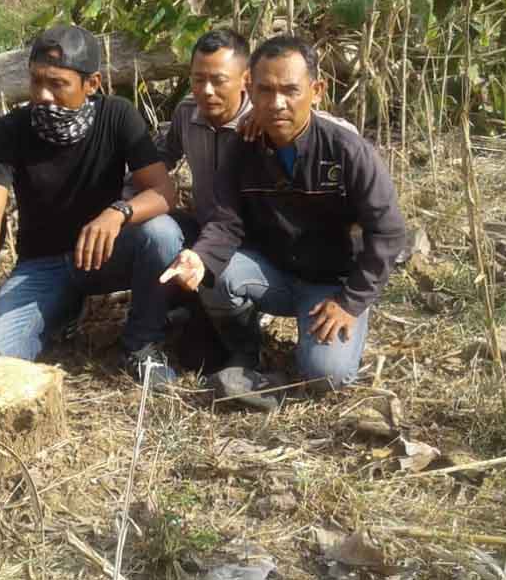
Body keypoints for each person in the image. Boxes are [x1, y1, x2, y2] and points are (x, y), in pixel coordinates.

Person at [162, 35, 407, 410]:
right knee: (216, 273)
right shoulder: (243, 147)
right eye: (265, 90)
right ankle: (246, 354)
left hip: (330, 283)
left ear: (317, 90)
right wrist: (199, 257)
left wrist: (351, 301)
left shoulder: (348, 151)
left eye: (290, 90)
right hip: (273, 271)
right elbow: (226, 222)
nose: (277, 103)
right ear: (250, 89)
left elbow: (388, 232)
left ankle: (333, 334)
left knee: (327, 376)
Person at [0, 24, 184, 389]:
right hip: (42, 265)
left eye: (57, 84)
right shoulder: (9, 131)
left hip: (105, 254)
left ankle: (141, 344)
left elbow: (164, 192)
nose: (43, 95)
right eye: (36, 81)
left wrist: (118, 213)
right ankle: (60, 312)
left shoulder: (117, 116)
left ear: (92, 84)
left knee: (161, 232)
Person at [146, 29, 253, 373]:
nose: (206, 91)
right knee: (157, 229)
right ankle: (180, 310)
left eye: (218, 80)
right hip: (204, 231)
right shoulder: (186, 112)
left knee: (206, 358)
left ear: (245, 80)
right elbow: (162, 156)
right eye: (197, 79)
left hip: (251, 242)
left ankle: (247, 342)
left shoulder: (261, 125)